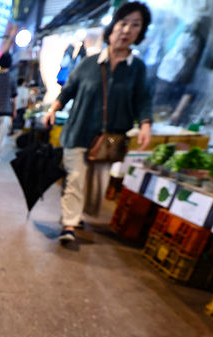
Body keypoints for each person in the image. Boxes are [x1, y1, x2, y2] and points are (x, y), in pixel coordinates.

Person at [43, 1, 152, 245]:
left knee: (96, 186)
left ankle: (77, 213)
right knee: (75, 179)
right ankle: (69, 224)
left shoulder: (137, 69)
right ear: (112, 27)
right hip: (78, 132)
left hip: (109, 139)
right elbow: (68, 90)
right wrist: (53, 109)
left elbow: (144, 99)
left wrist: (146, 124)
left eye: (135, 25)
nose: (126, 30)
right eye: (123, 23)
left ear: (140, 32)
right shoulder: (88, 64)